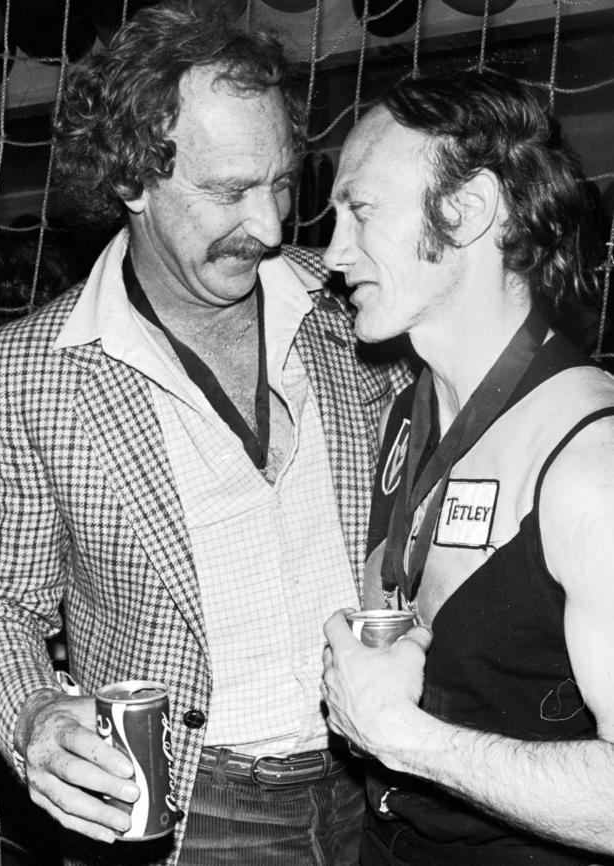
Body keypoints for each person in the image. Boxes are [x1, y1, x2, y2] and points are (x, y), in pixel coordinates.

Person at [0, 4, 410, 865]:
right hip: (194, 810)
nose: (273, 227)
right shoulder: (26, 373)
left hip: (393, 785)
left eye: (282, 182)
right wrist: (34, 713)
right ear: (130, 180)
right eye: (228, 191)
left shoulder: (361, 306)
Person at [320, 68, 614, 866]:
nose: (334, 252)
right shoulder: (406, 414)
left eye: (361, 210)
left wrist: (404, 738)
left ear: (467, 209)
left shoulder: (591, 465)